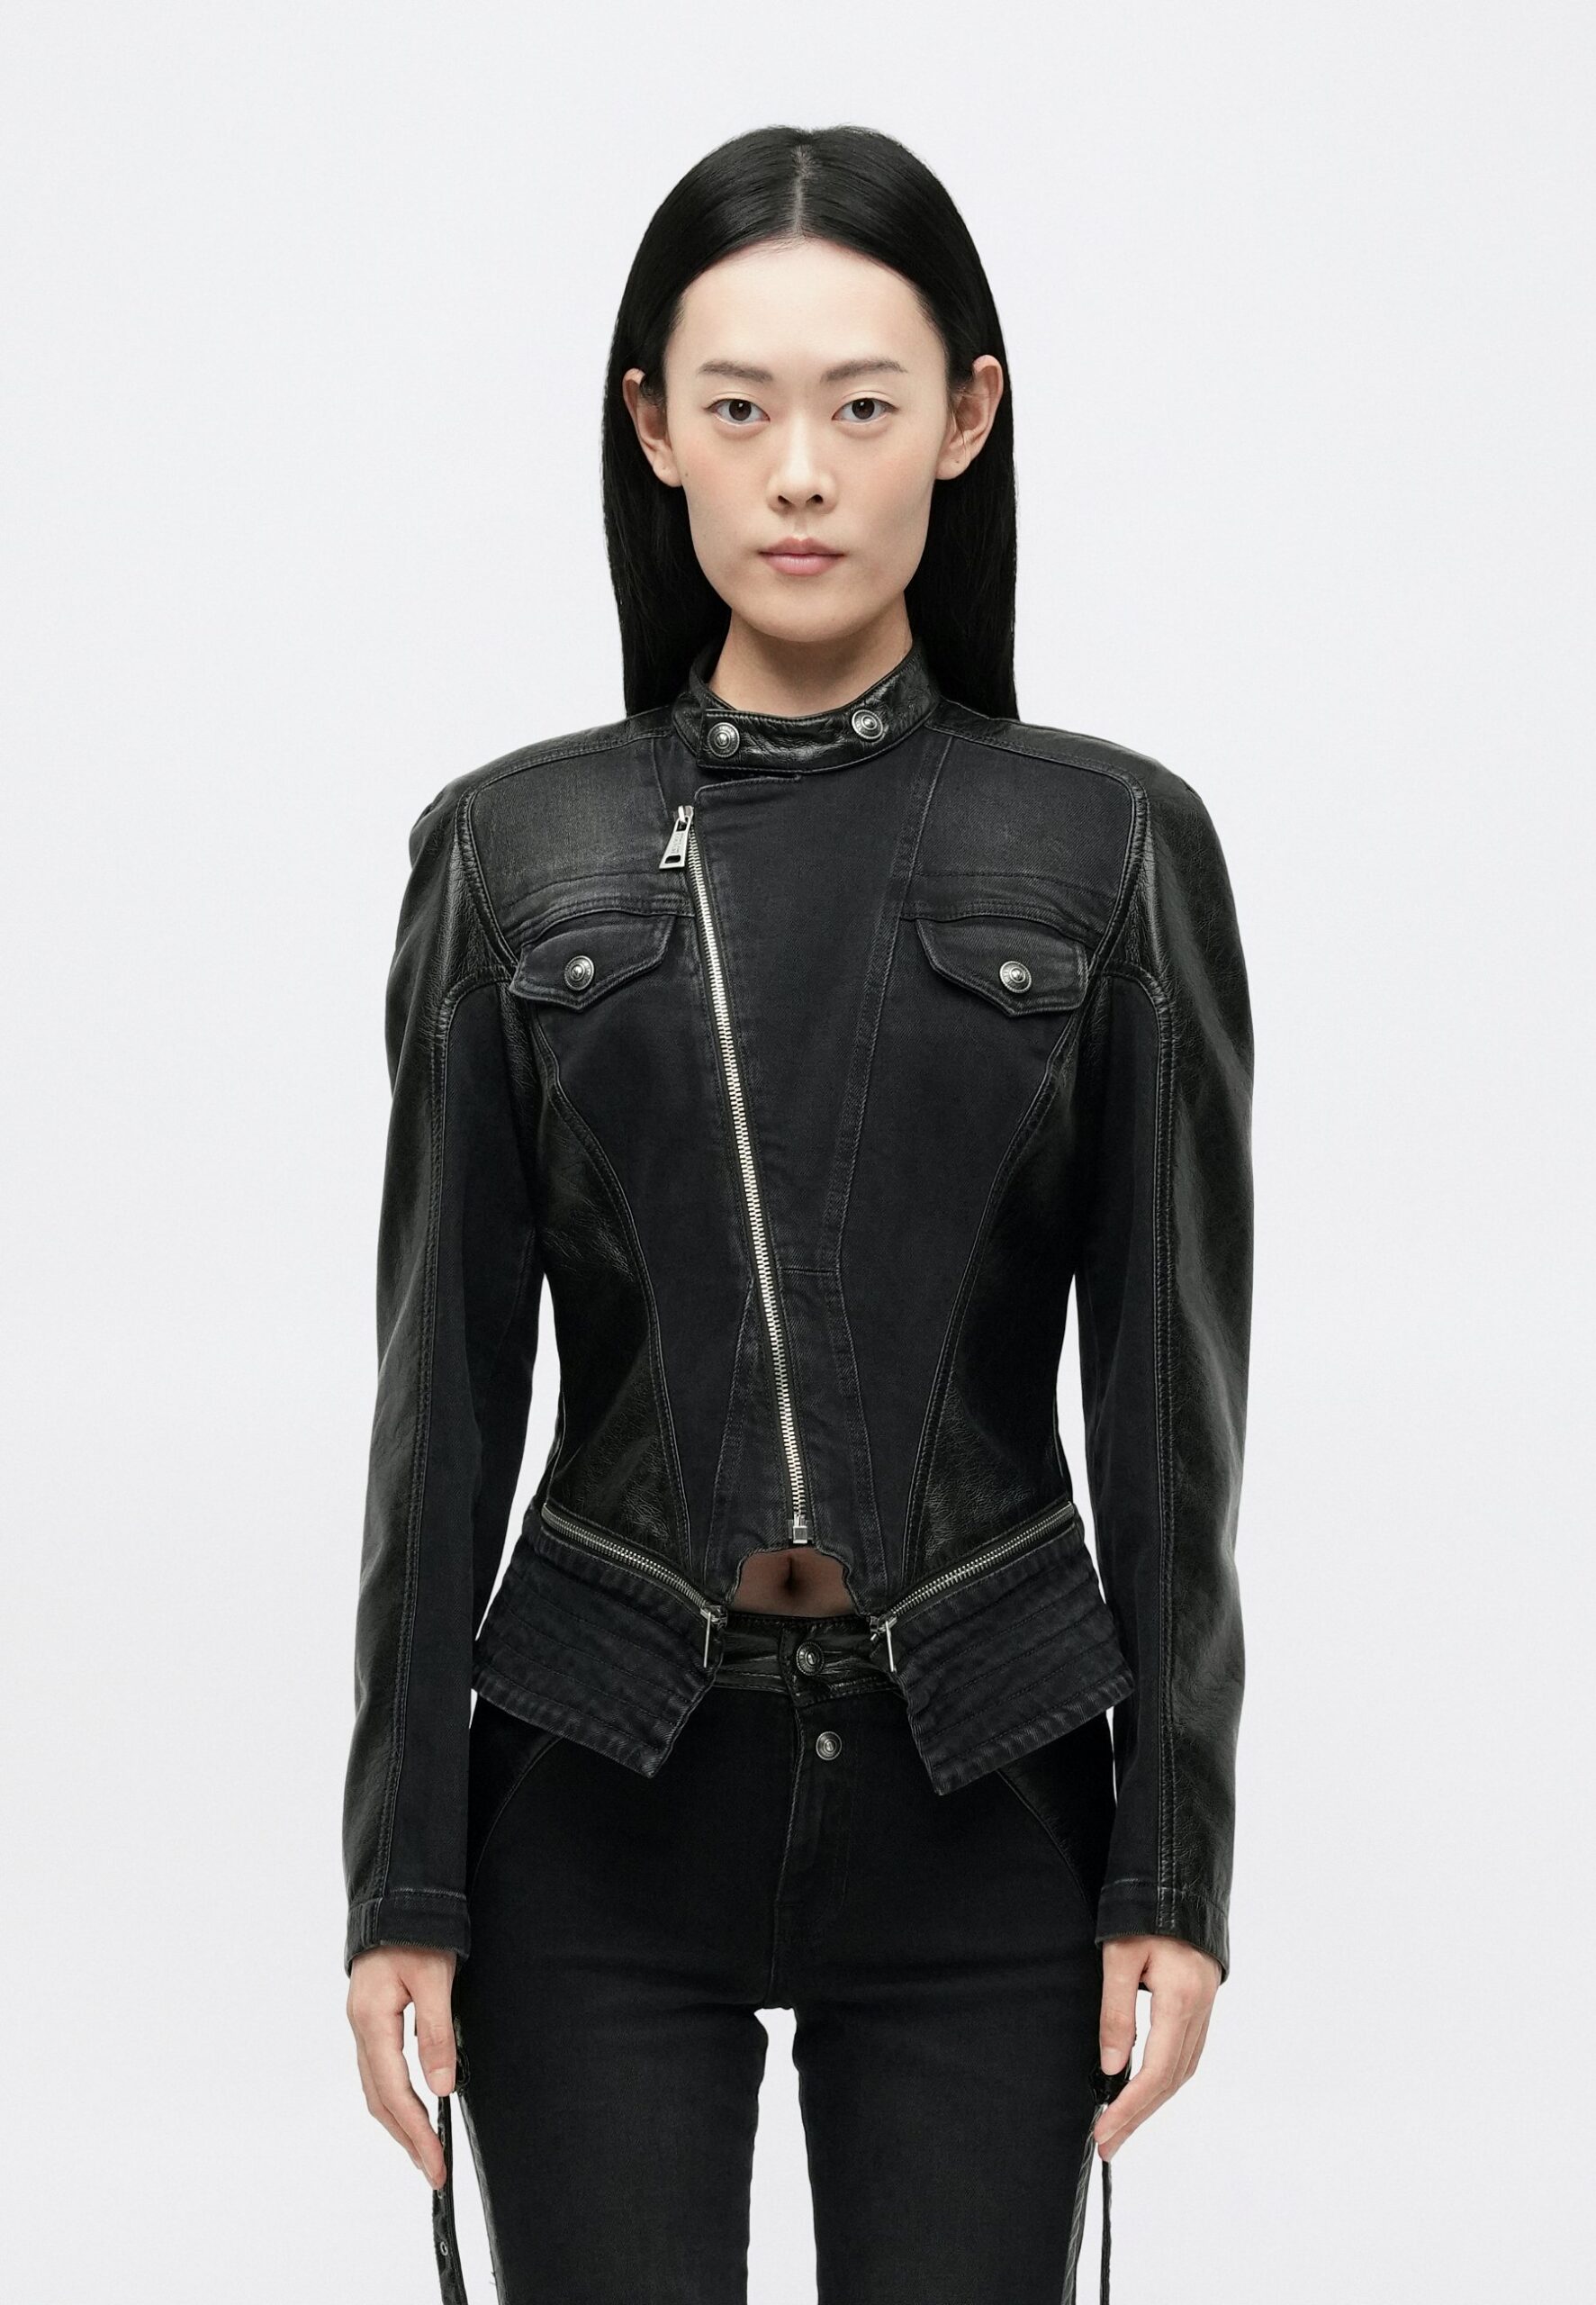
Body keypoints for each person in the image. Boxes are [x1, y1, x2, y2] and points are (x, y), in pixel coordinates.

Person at [342, 123, 1254, 2305]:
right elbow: (437, 1407)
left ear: (966, 412)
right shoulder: (511, 849)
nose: (801, 473)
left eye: (860, 403)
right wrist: (401, 1882)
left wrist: (1170, 1864)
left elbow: (1169, 1409)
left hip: (984, 1787)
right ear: (652, 426)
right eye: (738, 407)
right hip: (591, 1777)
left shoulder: (1111, 847)